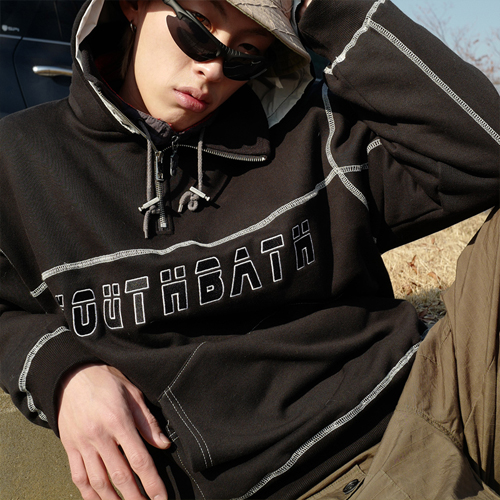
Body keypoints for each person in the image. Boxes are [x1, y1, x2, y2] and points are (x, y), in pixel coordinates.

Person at [0, 0, 499, 498]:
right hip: (315, 483)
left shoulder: (312, 130)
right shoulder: (21, 160)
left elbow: (486, 153)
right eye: (197, 27)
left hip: (432, 392)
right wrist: (61, 373)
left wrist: (320, 8)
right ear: (132, 5)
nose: (214, 68)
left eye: (246, 53)